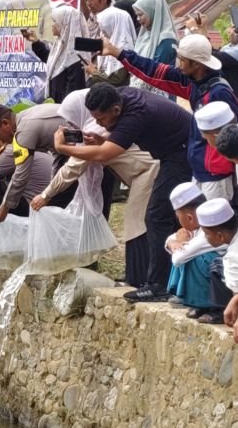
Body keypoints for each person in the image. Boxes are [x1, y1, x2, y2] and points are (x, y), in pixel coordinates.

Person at [53, 83, 193, 302]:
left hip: (182, 153)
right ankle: (174, 279)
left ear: (115, 110)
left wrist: (63, 148)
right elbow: (112, 144)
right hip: (172, 153)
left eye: (101, 120)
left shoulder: (135, 114)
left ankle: (158, 286)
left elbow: (102, 155)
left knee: (156, 216)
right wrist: (103, 140)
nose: (98, 124)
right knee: (170, 216)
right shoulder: (121, 98)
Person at [31, 88, 158, 288]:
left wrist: (46, 195)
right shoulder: (99, 128)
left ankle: (139, 280)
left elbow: (72, 168)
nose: (71, 126)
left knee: (136, 224)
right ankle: (145, 277)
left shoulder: (96, 127)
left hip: (147, 173)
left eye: (72, 120)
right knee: (146, 223)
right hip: (143, 172)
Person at [102, 33, 238, 200]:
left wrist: (220, 166)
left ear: (196, 64)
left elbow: (232, 136)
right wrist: (119, 53)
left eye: (181, 59)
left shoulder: (219, 92)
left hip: (217, 174)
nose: (177, 63)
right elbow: (156, 71)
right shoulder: (193, 82)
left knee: (215, 222)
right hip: (200, 168)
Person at [0, 103, 70, 222]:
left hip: (87, 151)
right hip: (75, 154)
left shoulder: (24, 131)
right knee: (57, 205)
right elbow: (58, 154)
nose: (1, 140)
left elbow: (21, 173)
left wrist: (4, 208)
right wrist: (50, 191)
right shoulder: (25, 118)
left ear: (5, 123)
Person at [165, 183, 226, 320]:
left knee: (197, 259)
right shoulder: (199, 225)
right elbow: (173, 238)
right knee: (188, 254)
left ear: (189, 218)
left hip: (229, 273)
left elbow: (178, 259)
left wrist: (179, 244)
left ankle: (216, 307)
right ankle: (199, 304)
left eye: (179, 217)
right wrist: (173, 242)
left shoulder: (207, 231)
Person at [23, 5, 87, 103]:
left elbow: (71, 97)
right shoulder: (61, 44)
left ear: (65, 24)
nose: (52, 25)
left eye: (55, 21)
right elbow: (52, 60)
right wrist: (36, 42)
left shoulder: (75, 57)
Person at [83, 0, 136, 77]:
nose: (88, 3)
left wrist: (96, 73)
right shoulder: (92, 18)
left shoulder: (116, 17)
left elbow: (118, 76)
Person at [199, 199, 238, 329]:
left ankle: (219, 311)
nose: (205, 238)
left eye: (206, 234)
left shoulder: (233, 256)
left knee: (217, 265)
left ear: (220, 236)